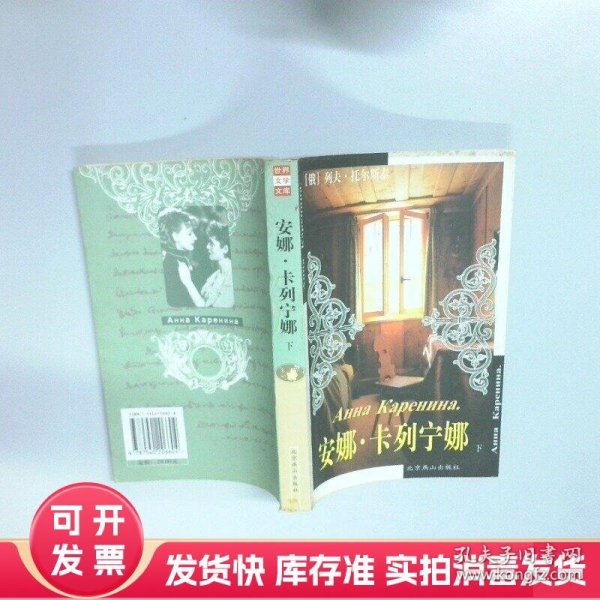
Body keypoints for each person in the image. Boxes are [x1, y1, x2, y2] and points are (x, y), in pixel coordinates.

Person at [158, 208, 206, 307]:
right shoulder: (172, 264)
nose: (195, 237)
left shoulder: (179, 259)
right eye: (189, 233)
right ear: (175, 236)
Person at [200, 222, 234, 308]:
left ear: (225, 249)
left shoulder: (232, 276)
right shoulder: (216, 274)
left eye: (211, 243)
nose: (207, 247)